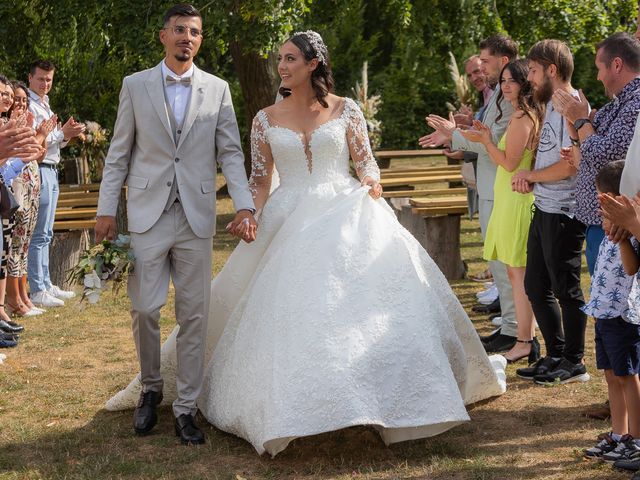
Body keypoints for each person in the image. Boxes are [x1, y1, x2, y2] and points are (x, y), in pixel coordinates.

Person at [106, 29, 506, 456]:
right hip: (287, 216)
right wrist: (249, 214)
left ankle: (379, 394)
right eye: (281, 59)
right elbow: (259, 181)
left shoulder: (347, 109)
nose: (282, 66)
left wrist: (371, 182)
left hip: (347, 214)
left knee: (359, 308)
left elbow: (366, 163)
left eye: (291, 58)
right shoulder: (265, 118)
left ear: (313, 64)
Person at [96, 4, 257, 445]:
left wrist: (244, 205)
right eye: (180, 30)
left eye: (196, 32)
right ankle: (151, 388)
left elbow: (230, 153)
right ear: (164, 36)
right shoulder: (136, 85)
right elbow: (119, 154)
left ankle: (187, 407)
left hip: (196, 215)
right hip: (148, 213)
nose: (188, 37)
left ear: (200, 40)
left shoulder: (219, 89)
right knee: (145, 308)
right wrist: (106, 209)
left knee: (195, 315)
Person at [422, 35, 519, 353]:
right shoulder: (497, 97)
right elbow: (486, 134)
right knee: (496, 261)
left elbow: (495, 143)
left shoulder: (510, 98)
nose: (482, 66)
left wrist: (455, 135)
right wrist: (462, 129)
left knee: (505, 264)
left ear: (503, 60)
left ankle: (516, 329)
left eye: (486, 61)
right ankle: (508, 325)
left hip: (501, 187)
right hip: (493, 187)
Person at [509, 40, 590, 386]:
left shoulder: (569, 107)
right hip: (544, 207)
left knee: (565, 288)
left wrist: (531, 175)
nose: (529, 78)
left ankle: (574, 361)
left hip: (564, 212)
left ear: (552, 71)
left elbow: (570, 167)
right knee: (535, 283)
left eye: (534, 71)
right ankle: (556, 353)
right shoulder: (550, 107)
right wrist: (534, 179)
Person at [458, 59, 541, 364]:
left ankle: (525, 341)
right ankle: (524, 338)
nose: (505, 86)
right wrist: (485, 137)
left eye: (512, 81)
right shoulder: (521, 115)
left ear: (524, 85)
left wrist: (486, 141)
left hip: (517, 200)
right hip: (508, 197)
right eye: (503, 81)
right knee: (514, 272)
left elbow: (508, 162)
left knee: (519, 275)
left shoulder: (521, 118)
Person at [552, 32, 640, 275]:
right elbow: (588, 139)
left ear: (617, 65)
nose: (598, 76)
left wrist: (580, 120)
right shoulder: (619, 103)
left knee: (612, 312)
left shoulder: (636, 102)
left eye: (599, 68)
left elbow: (604, 156)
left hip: (616, 229)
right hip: (601, 223)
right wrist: (576, 124)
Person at [581, 161, 640, 464]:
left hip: (622, 316)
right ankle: (619, 433)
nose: (601, 214)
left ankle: (636, 439)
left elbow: (631, 269)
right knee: (611, 375)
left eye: (604, 206)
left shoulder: (627, 237)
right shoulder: (605, 234)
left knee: (627, 376)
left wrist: (622, 239)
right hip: (603, 314)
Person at [27, 59, 85, 308]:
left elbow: (53, 140)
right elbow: (35, 138)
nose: (45, 83)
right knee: (38, 232)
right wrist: (62, 134)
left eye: (49, 79)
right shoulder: (28, 104)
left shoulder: (45, 104)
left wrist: (65, 133)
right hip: (38, 168)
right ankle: (37, 287)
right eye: (41, 78)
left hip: (51, 168)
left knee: (47, 231)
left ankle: (46, 283)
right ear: (30, 78)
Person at [6, 81, 51, 317]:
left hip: (31, 184)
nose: (20, 103)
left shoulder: (23, 122)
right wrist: (41, 135)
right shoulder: (8, 124)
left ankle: (22, 295)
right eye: (17, 98)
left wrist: (39, 139)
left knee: (23, 244)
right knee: (13, 245)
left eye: (24, 100)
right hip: (15, 188)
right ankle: (13, 299)